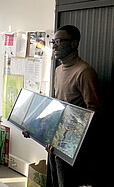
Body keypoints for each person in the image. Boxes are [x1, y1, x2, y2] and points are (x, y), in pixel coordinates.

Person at [23, 25, 101, 187]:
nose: (54, 45)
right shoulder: (58, 70)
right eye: (53, 41)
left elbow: (94, 112)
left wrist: (65, 140)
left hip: (70, 145)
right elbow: (56, 105)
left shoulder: (84, 71)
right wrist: (34, 127)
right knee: (52, 181)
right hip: (53, 141)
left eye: (59, 41)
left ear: (74, 44)